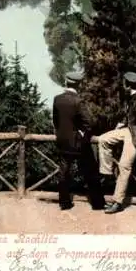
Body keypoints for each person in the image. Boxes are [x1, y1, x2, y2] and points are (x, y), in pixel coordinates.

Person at [52, 72, 106, 211]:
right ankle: (98, 204)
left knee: (64, 171)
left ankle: (64, 203)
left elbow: (56, 121)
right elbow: (90, 122)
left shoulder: (57, 99)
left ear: (66, 82)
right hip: (78, 143)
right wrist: (82, 134)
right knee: (91, 171)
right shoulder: (78, 101)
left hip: (63, 141)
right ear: (79, 84)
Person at [98, 72, 136, 214]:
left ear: (128, 85)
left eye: (124, 83)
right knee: (103, 139)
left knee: (124, 165)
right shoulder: (131, 96)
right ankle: (106, 172)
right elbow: (129, 115)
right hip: (127, 130)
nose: (123, 84)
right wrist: (123, 124)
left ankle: (117, 202)